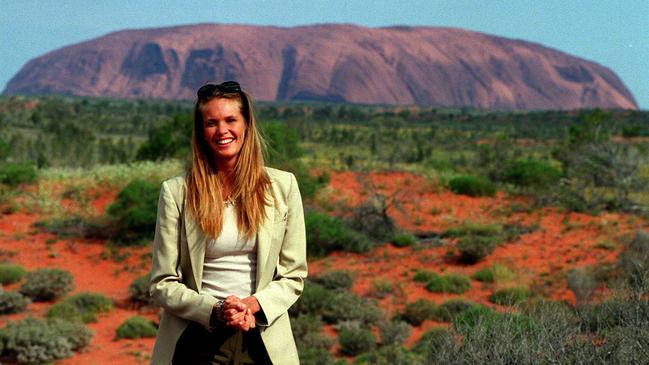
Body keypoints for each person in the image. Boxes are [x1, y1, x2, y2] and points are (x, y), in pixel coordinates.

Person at [149, 81, 307, 365]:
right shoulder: (177, 192)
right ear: (201, 131)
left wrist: (252, 306)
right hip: (196, 338)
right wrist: (216, 309)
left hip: (262, 337)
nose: (222, 131)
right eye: (211, 123)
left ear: (246, 124)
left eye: (231, 120)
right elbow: (162, 282)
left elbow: (293, 275)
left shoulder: (282, 187)